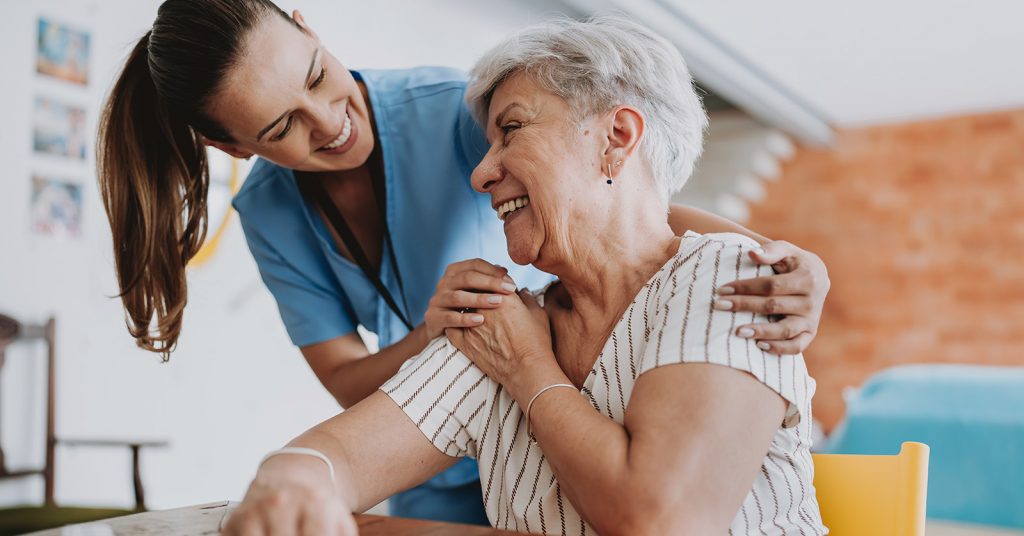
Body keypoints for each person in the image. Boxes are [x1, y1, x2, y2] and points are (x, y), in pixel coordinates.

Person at [96, 0, 830, 525]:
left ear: (309, 30)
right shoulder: (277, 216)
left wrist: (776, 258)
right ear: (237, 148)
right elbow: (345, 413)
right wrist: (289, 477)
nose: (328, 122)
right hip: (462, 434)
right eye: (282, 125)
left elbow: (626, 212)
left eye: (318, 76)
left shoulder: (454, 108)